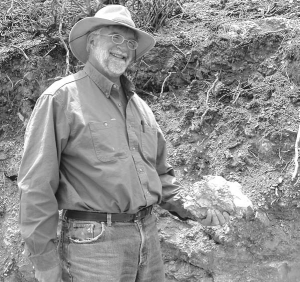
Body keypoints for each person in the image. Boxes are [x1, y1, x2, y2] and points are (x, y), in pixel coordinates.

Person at [18, 5, 229, 282]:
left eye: (130, 42)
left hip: (147, 235)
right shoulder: (60, 98)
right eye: (114, 37)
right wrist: (44, 260)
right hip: (93, 245)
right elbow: (36, 185)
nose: (124, 47)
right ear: (92, 41)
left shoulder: (140, 107)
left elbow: (161, 174)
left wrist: (193, 209)